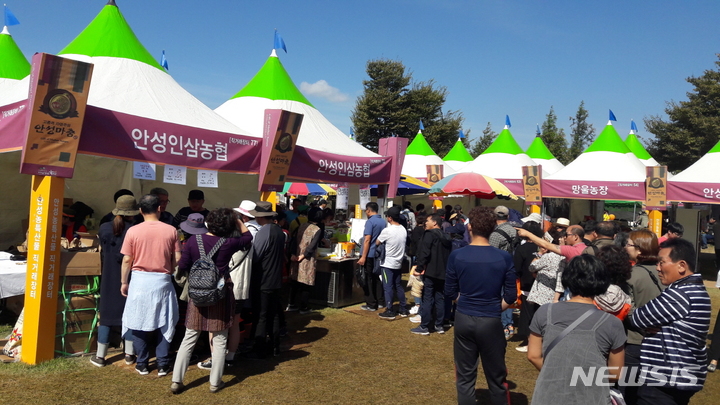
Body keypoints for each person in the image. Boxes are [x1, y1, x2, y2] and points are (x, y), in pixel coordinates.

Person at [171, 208, 252, 394]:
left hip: (197, 295)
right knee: (220, 337)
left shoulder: (193, 240)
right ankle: (215, 382)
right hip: (220, 294)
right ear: (228, 225)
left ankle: (177, 380)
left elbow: (182, 266)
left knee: (189, 337)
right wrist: (238, 221)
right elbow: (248, 238)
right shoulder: (229, 243)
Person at [527, 255, 626, 405]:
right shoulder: (612, 323)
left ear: (567, 278)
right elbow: (615, 372)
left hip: (548, 394)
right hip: (592, 396)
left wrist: (557, 373)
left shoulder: (544, 312)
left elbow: (533, 355)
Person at [446, 206, 517, 405]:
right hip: (491, 319)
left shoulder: (457, 256)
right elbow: (510, 296)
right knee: (496, 377)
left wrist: (465, 303)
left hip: (464, 318)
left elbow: (450, 292)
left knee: (465, 377)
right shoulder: (504, 257)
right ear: (493, 227)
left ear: (470, 227)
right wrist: (495, 308)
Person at [631, 238, 711, 404]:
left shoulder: (679, 294)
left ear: (681, 265)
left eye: (662, 263)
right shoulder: (695, 288)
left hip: (666, 379)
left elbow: (638, 318)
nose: (658, 268)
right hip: (680, 376)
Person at [120, 194, 182, 376]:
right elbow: (177, 257)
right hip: (162, 280)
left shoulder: (133, 231)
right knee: (165, 320)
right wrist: (169, 270)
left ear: (140, 210)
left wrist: (124, 281)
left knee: (138, 321)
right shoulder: (171, 230)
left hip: (139, 280)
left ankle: (142, 362)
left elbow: (126, 260)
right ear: (159, 208)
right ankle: (163, 363)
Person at [91, 195, 139, 368]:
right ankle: (129, 355)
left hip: (108, 275)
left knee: (106, 315)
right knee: (130, 314)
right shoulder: (135, 230)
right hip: (128, 277)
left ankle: (100, 356)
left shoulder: (104, 228)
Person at [622, 228, 664, 403]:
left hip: (635, 341)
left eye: (628, 244)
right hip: (662, 343)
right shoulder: (666, 272)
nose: (625, 247)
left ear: (639, 249)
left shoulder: (630, 275)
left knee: (629, 393)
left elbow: (626, 310)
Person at [248, 201, 286, 358]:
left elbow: (255, 256)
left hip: (264, 279)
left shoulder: (264, 232)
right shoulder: (279, 231)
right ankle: (275, 346)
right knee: (274, 313)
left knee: (261, 315)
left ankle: (260, 348)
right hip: (276, 278)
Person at [411, 213, 452, 335]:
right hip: (443, 272)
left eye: (427, 221)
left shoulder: (429, 235)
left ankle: (425, 326)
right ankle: (439, 325)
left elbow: (424, 253)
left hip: (431, 271)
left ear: (435, 222)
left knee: (427, 297)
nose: (425, 223)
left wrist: (419, 268)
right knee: (439, 297)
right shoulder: (446, 236)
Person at [511, 221, 542, 352]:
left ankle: (530, 342)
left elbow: (516, 268)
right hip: (545, 287)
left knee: (528, 315)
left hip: (527, 286)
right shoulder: (544, 247)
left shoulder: (522, 249)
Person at [288, 209, 325, 314]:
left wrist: (293, 254)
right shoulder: (317, 229)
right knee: (306, 282)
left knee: (295, 281)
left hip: (296, 256)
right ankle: (303, 307)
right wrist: (303, 256)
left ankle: (291, 304)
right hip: (307, 258)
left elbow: (294, 240)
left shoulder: (302, 225)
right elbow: (312, 246)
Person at [376, 206, 409, 319]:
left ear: (389, 218)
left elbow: (377, 242)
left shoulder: (387, 230)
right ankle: (403, 309)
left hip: (387, 263)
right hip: (398, 262)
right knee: (398, 286)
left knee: (388, 287)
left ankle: (390, 310)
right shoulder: (403, 230)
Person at [357, 202, 387, 311]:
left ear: (368, 210)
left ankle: (371, 303)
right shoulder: (383, 221)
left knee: (367, 278)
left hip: (369, 253)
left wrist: (363, 256)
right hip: (378, 253)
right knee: (376, 277)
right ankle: (380, 301)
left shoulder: (370, 222)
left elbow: (367, 240)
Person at [517, 223, 587, 263]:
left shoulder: (572, 250)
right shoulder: (586, 248)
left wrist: (527, 234)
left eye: (567, 235)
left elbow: (546, 245)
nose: (565, 237)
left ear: (575, 237)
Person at [407, 212, 427, 318]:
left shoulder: (416, 231)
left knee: (417, 283)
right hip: (423, 259)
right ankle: (420, 304)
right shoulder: (426, 232)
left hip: (417, 257)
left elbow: (413, 242)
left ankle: (418, 304)